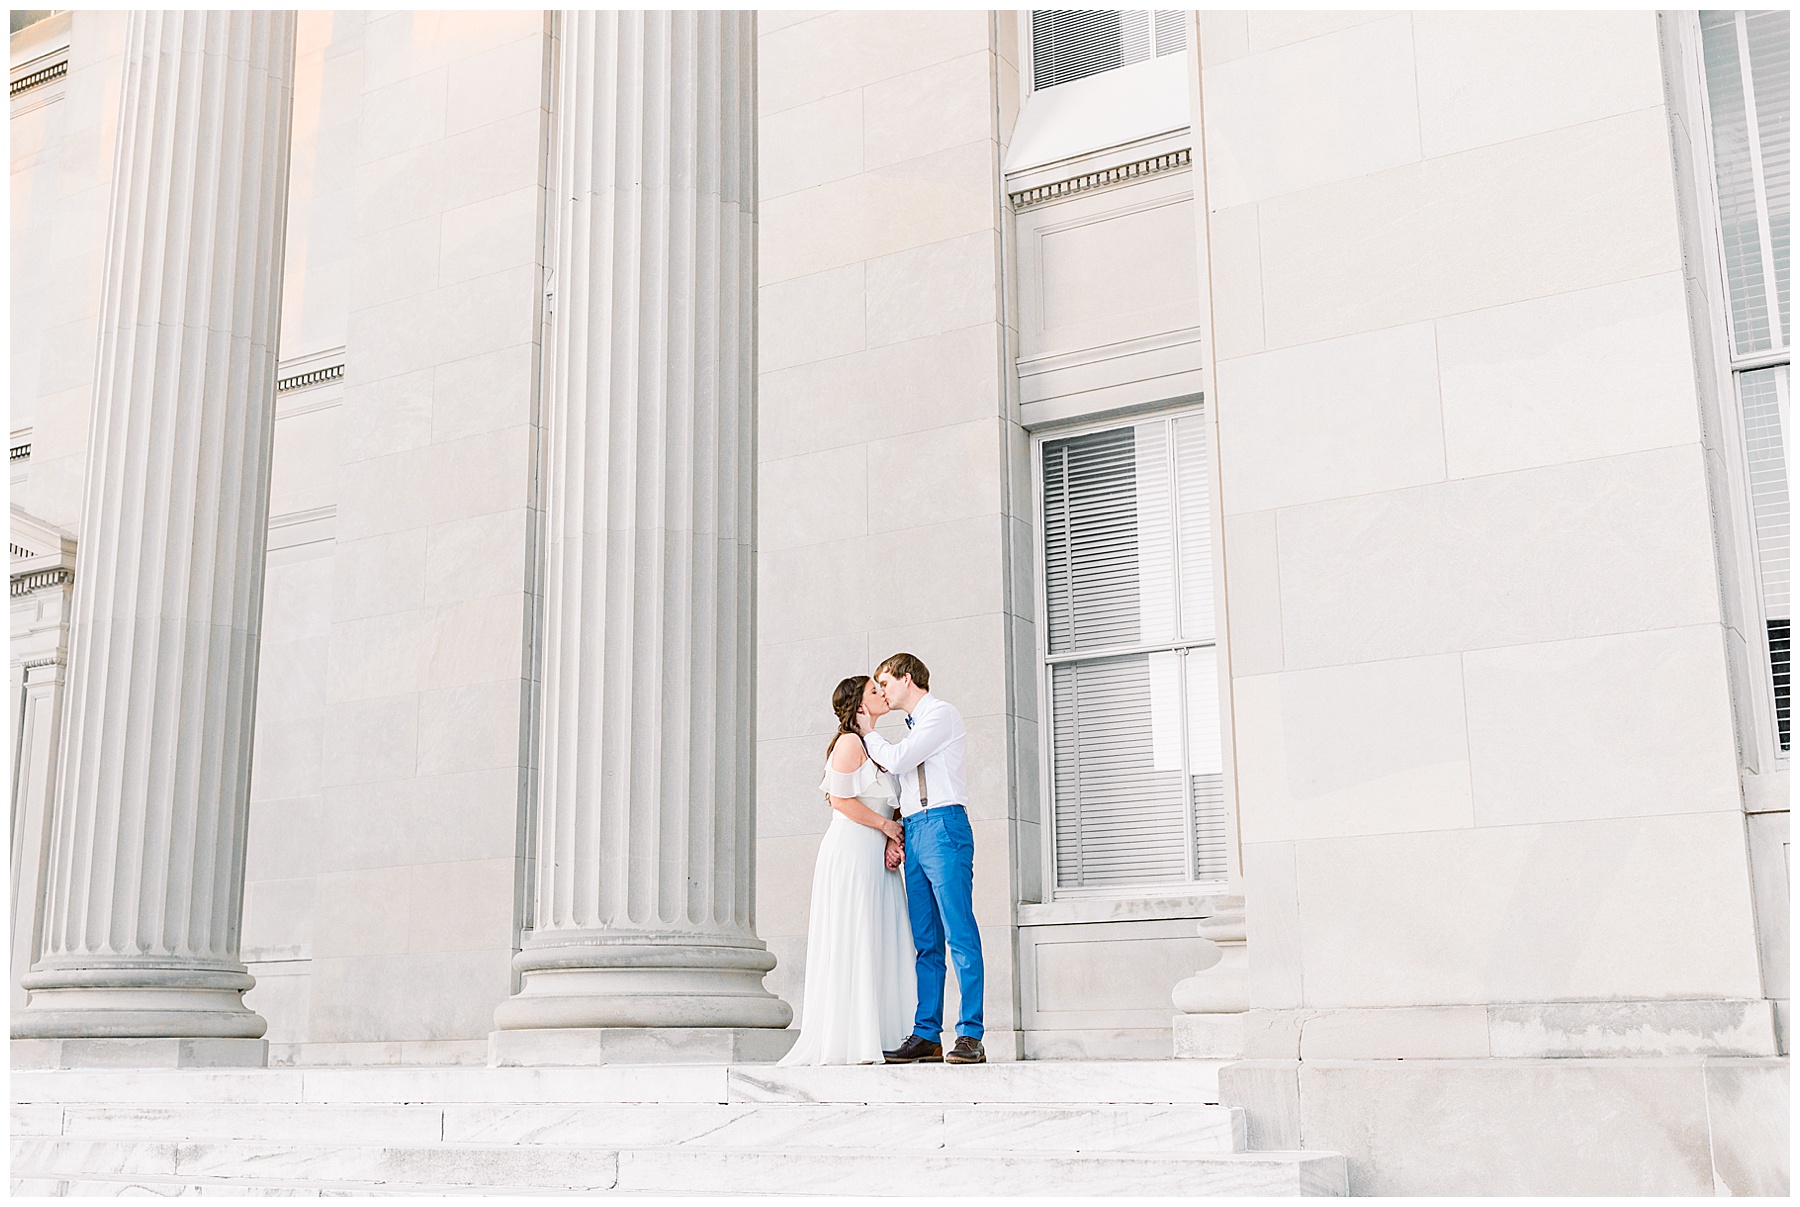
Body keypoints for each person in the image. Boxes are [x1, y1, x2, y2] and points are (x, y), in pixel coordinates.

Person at [777, 676, 917, 1065]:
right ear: (858, 703)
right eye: (875, 691)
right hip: (852, 850)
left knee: (883, 936)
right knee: (855, 935)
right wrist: (885, 827)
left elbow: (893, 801)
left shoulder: (876, 745)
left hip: (877, 853)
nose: (882, 695)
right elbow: (840, 800)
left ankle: (891, 1033)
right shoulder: (849, 742)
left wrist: (893, 837)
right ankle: (851, 1039)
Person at [859, 652, 985, 1065]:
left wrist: (867, 730)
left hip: (944, 825)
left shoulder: (940, 714)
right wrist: (894, 830)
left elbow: (897, 759)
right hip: (915, 829)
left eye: (886, 683)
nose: (882, 691)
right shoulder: (913, 730)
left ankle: (970, 1035)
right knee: (925, 941)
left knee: (959, 932)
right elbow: (900, 783)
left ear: (907, 678)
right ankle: (927, 1033)